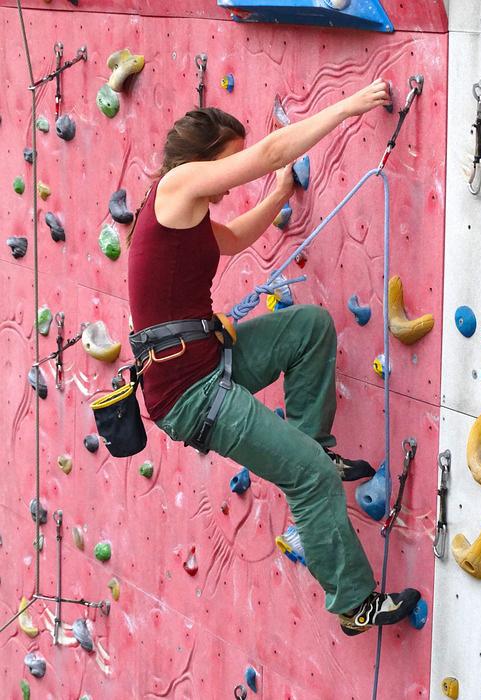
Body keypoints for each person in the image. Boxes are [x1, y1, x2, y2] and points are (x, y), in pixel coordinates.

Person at [127, 78, 420, 636]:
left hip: (209, 361)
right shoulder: (176, 186)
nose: (239, 174)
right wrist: (353, 104)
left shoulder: (184, 212)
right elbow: (270, 151)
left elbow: (234, 237)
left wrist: (281, 194)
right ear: (206, 157)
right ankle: (353, 603)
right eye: (231, 162)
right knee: (309, 479)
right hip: (191, 397)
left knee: (309, 328)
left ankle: (313, 440)